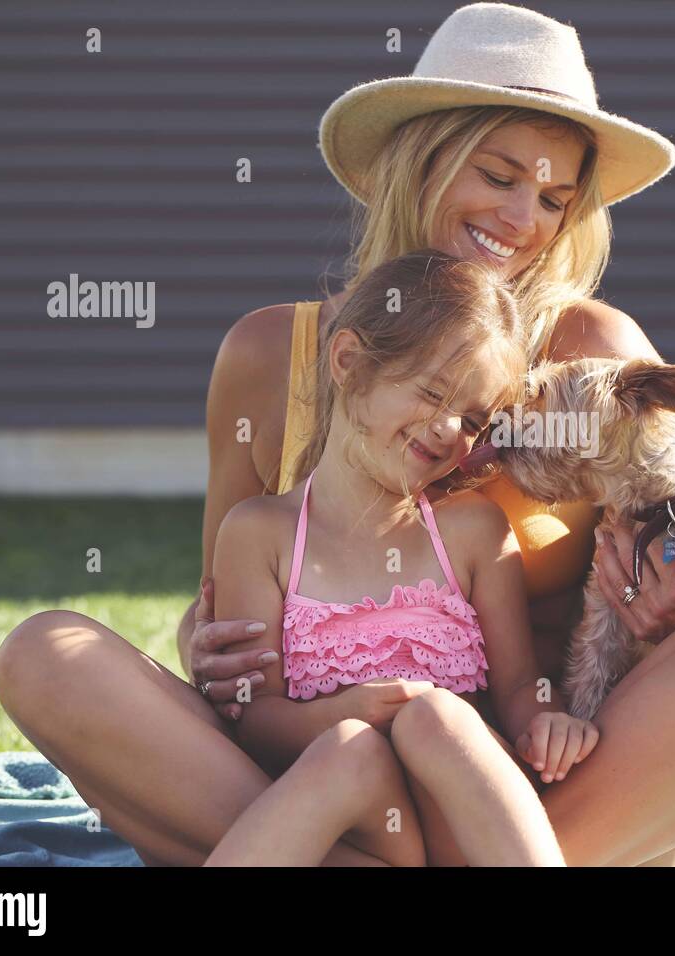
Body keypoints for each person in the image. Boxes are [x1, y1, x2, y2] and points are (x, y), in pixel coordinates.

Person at [0, 2, 675, 867]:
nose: (521, 218)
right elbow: (223, 612)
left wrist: (659, 610)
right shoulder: (271, 354)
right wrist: (203, 647)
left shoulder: (595, 357)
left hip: (527, 785)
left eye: (552, 197)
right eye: (498, 175)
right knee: (46, 654)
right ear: (421, 158)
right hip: (310, 768)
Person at [204, 250, 594, 865]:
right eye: (433, 393)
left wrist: (545, 720)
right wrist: (343, 713)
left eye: (472, 419)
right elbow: (255, 715)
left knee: (431, 718)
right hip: (356, 818)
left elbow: (520, 684)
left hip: (456, 816)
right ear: (349, 363)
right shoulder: (261, 533)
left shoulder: (473, 531)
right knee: (349, 749)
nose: (447, 430)